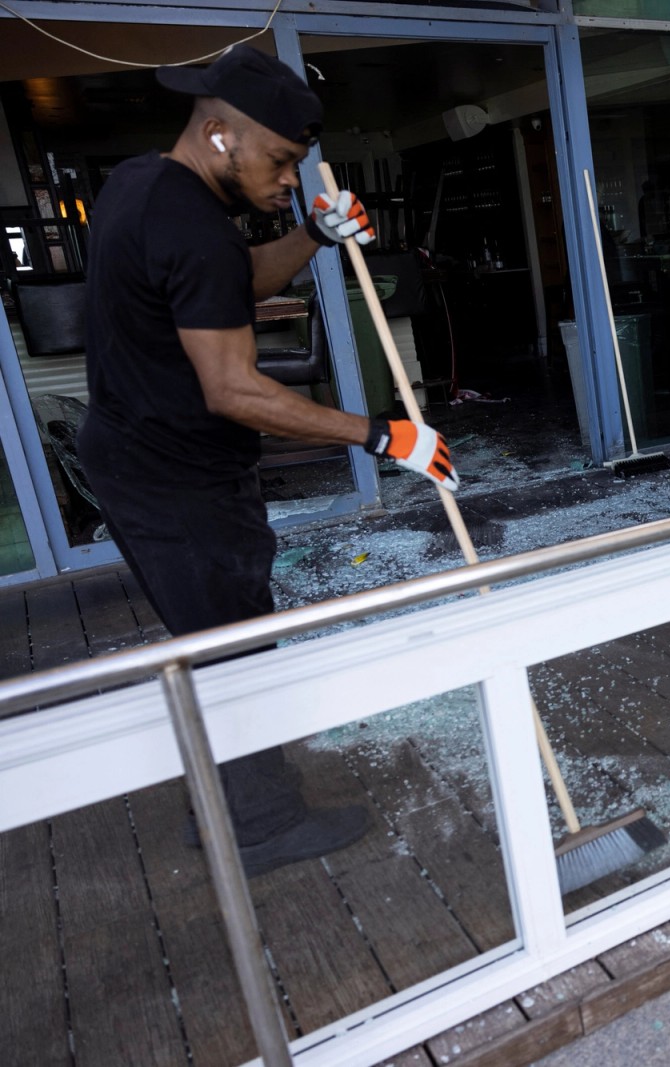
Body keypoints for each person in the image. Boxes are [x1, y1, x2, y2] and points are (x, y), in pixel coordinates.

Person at [77, 44, 460, 877]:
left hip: (135, 458)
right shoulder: (190, 223)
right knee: (234, 644)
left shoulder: (143, 184)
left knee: (206, 636)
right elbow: (233, 389)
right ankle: (260, 824)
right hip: (177, 475)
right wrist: (381, 433)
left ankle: (220, 808)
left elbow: (234, 278)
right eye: (281, 160)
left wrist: (314, 235)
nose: (290, 177)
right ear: (221, 133)